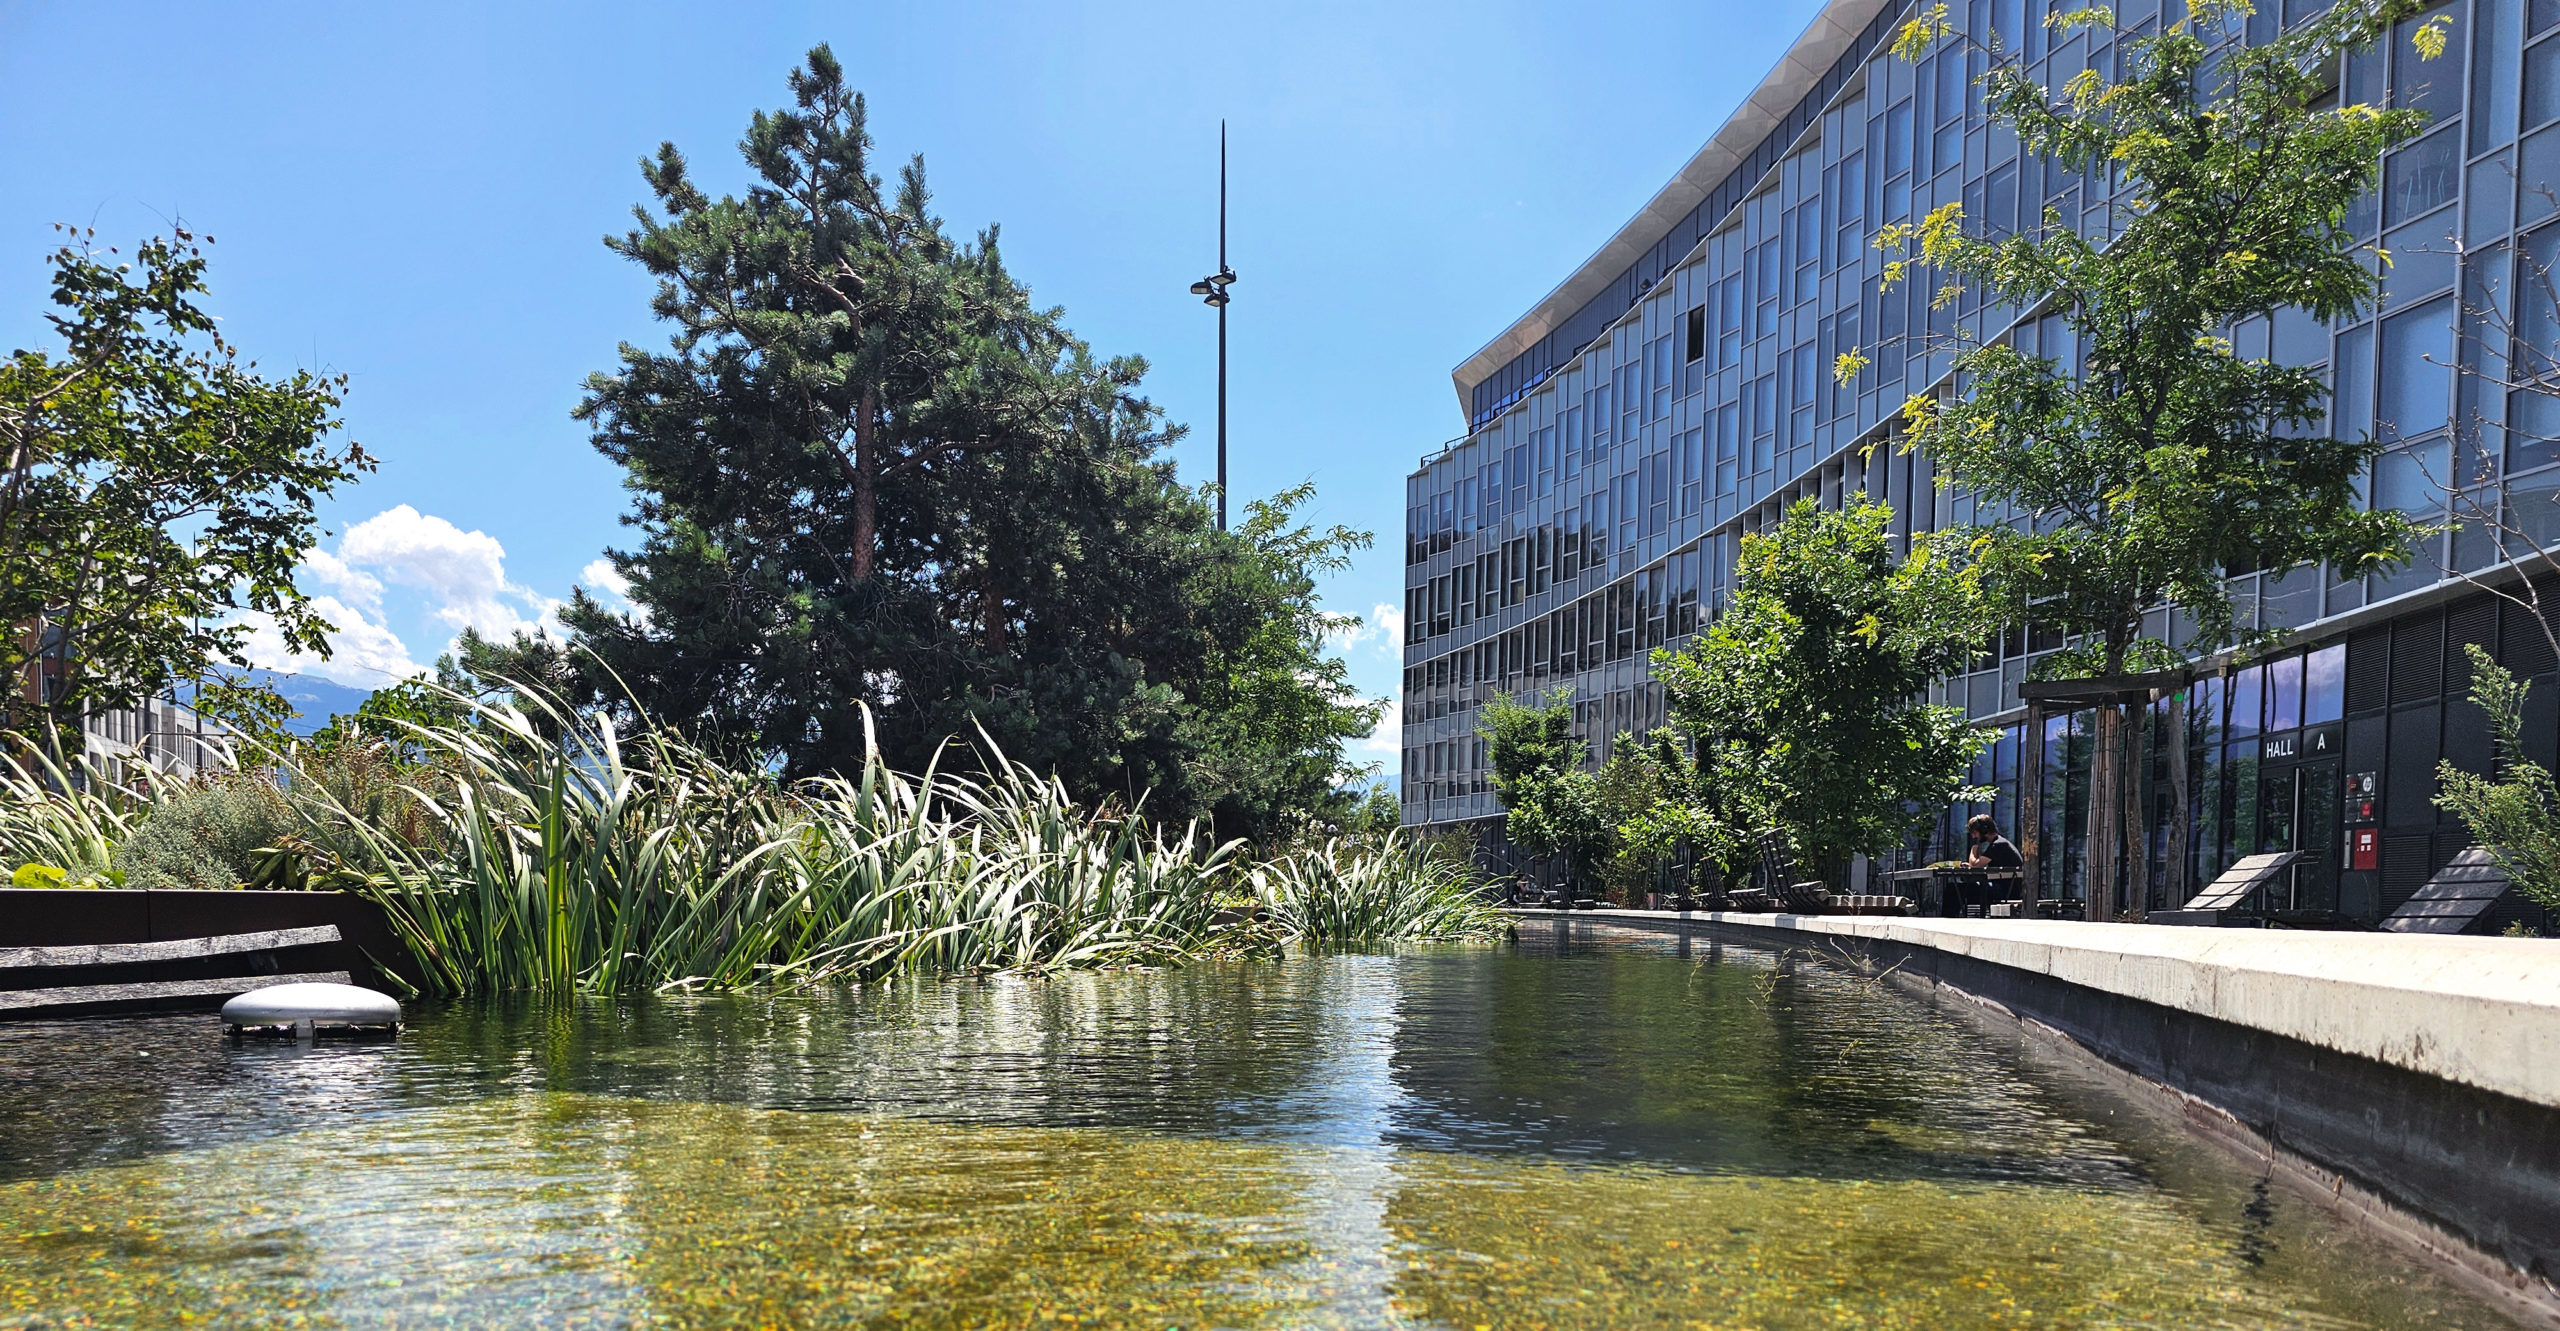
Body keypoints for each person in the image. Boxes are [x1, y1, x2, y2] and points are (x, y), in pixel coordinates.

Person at [1947, 814, 2023, 917]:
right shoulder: (1999, 843)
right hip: (2004, 887)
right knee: (1959, 887)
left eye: (1975, 833)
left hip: (2006, 891)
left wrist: (1974, 849)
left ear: (1984, 830)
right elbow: (1978, 865)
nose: (1974, 837)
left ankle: (1949, 919)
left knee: (1956, 889)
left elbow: (1975, 865)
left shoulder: (1998, 845)